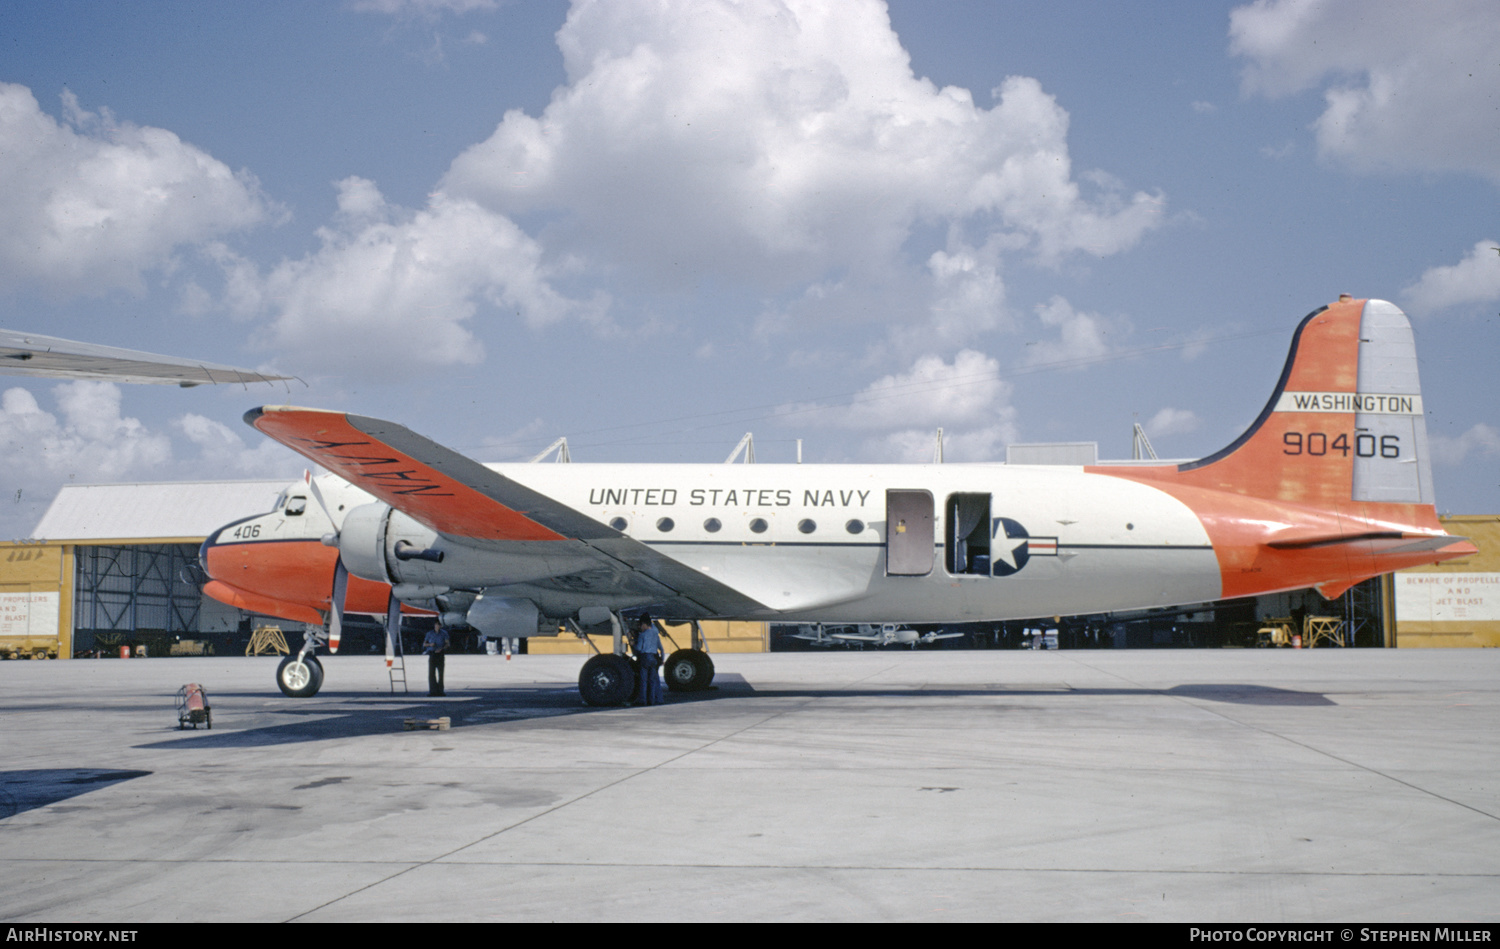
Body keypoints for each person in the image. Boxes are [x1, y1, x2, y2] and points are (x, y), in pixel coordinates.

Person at [632, 614, 664, 706]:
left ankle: (643, 700)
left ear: (644, 624)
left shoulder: (643, 635)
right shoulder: (655, 633)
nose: (640, 627)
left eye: (641, 625)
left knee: (643, 681)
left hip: (645, 658)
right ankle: (652, 700)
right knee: (653, 681)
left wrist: (633, 643)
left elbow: (638, 648)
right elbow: (661, 648)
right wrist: (662, 659)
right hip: (654, 658)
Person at [424, 621, 450, 696]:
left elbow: (447, 644)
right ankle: (432, 691)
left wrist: (442, 648)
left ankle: (440, 691)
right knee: (431, 673)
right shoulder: (430, 633)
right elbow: (424, 644)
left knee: (440, 673)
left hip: (440, 654)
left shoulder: (444, 633)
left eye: (438, 625)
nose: (437, 626)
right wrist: (430, 644)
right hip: (432, 654)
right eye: (436, 625)